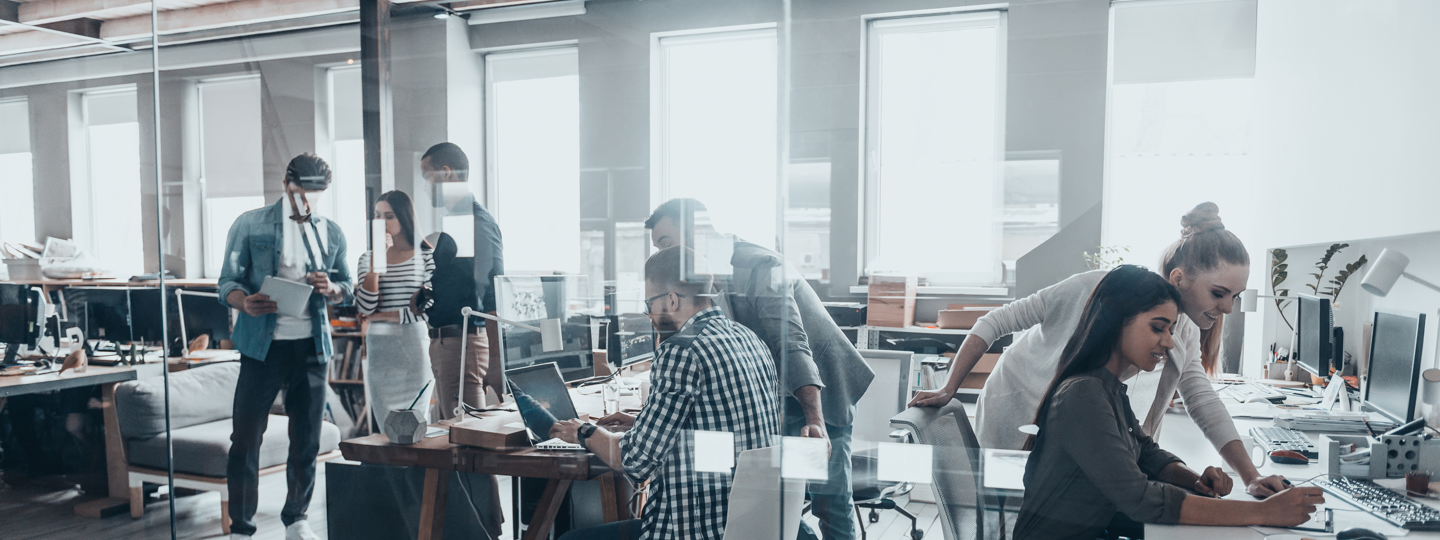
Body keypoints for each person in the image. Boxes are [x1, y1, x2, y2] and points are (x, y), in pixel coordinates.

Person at [909, 203, 1289, 497]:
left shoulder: (1182, 331)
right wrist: (949, 388)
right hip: (1018, 409)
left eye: (1235, 297)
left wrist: (1250, 476)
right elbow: (993, 323)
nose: (1227, 309)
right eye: (1218, 294)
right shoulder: (1095, 289)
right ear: (1178, 278)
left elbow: (1201, 401)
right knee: (1030, 508)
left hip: (1078, 425)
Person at [1013, 265, 1323, 539]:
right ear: (1116, 321)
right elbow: (1140, 498)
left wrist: (1195, 480)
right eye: (1157, 327)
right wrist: (1264, 513)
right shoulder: (1083, 394)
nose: (1169, 342)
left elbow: (1146, 453)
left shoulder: (1108, 389)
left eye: (1171, 330)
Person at [645, 198, 873, 540]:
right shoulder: (697, 280)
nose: (665, 254)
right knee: (774, 499)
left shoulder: (760, 265)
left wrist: (815, 419)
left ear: (696, 230)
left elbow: (791, 343)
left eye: (666, 243)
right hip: (773, 393)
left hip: (820, 387)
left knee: (829, 501)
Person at [550, 247, 780, 540]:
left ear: (671, 299)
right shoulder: (750, 339)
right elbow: (723, 425)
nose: (648, 315)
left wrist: (582, 431)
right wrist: (642, 423)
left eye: (649, 303)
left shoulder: (681, 350)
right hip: (747, 527)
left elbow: (634, 461)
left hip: (693, 530)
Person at [218, 153, 353, 540]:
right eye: (299, 194)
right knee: (245, 438)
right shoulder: (249, 223)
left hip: (311, 347)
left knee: (307, 439)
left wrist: (333, 288)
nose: (306, 203)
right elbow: (226, 281)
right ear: (285, 184)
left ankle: (296, 519)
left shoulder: (331, 232)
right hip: (262, 347)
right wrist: (244, 301)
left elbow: (346, 287)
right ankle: (241, 528)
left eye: (314, 196)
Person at [419, 142, 505, 418]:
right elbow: (461, 286)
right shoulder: (456, 222)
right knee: (458, 437)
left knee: (469, 441)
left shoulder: (475, 222)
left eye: (426, 175)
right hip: (449, 344)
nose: (425, 185)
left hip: (462, 345)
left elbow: (493, 292)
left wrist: (495, 361)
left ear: (445, 174)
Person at [356, 191, 436, 437]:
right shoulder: (367, 259)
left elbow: (428, 309)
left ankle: (418, 476)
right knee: (387, 430)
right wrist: (377, 264)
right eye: (377, 216)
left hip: (415, 349)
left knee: (415, 427)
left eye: (389, 216)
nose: (382, 222)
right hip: (380, 352)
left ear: (404, 217)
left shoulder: (427, 257)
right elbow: (366, 308)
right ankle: (394, 476)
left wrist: (384, 315)